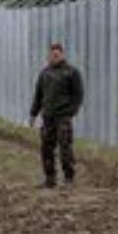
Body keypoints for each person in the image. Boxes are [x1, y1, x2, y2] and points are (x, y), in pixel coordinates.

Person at [28, 42, 84, 189]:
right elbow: (38, 95)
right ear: (49, 55)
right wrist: (33, 113)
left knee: (65, 146)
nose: (54, 57)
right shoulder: (44, 73)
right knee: (46, 148)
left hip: (63, 117)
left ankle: (69, 179)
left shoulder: (71, 72)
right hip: (48, 117)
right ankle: (50, 179)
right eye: (52, 55)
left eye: (57, 54)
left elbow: (78, 95)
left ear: (62, 54)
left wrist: (71, 111)